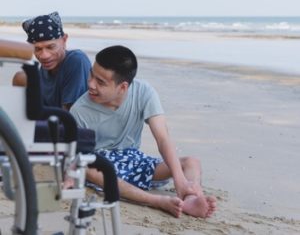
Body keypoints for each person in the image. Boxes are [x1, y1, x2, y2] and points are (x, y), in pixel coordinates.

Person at [66, 45, 217, 218]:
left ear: (123, 87)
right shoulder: (79, 110)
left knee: (192, 162)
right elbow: (76, 155)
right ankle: (158, 201)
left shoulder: (143, 92)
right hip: (101, 165)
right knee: (87, 167)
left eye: (101, 82)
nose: (90, 84)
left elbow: (162, 139)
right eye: (92, 74)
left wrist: (180, 181)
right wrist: (72, 174)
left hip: (134, 160)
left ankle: (189, 198)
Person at [13, 11, 91, 110]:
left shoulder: (77, 60)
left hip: (68, 120)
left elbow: (69, 116)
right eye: (37, 49)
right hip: (48, 113)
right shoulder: (49, 62)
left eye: (51, 47)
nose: (44, 56)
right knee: (20, 76)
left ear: (64, 40)